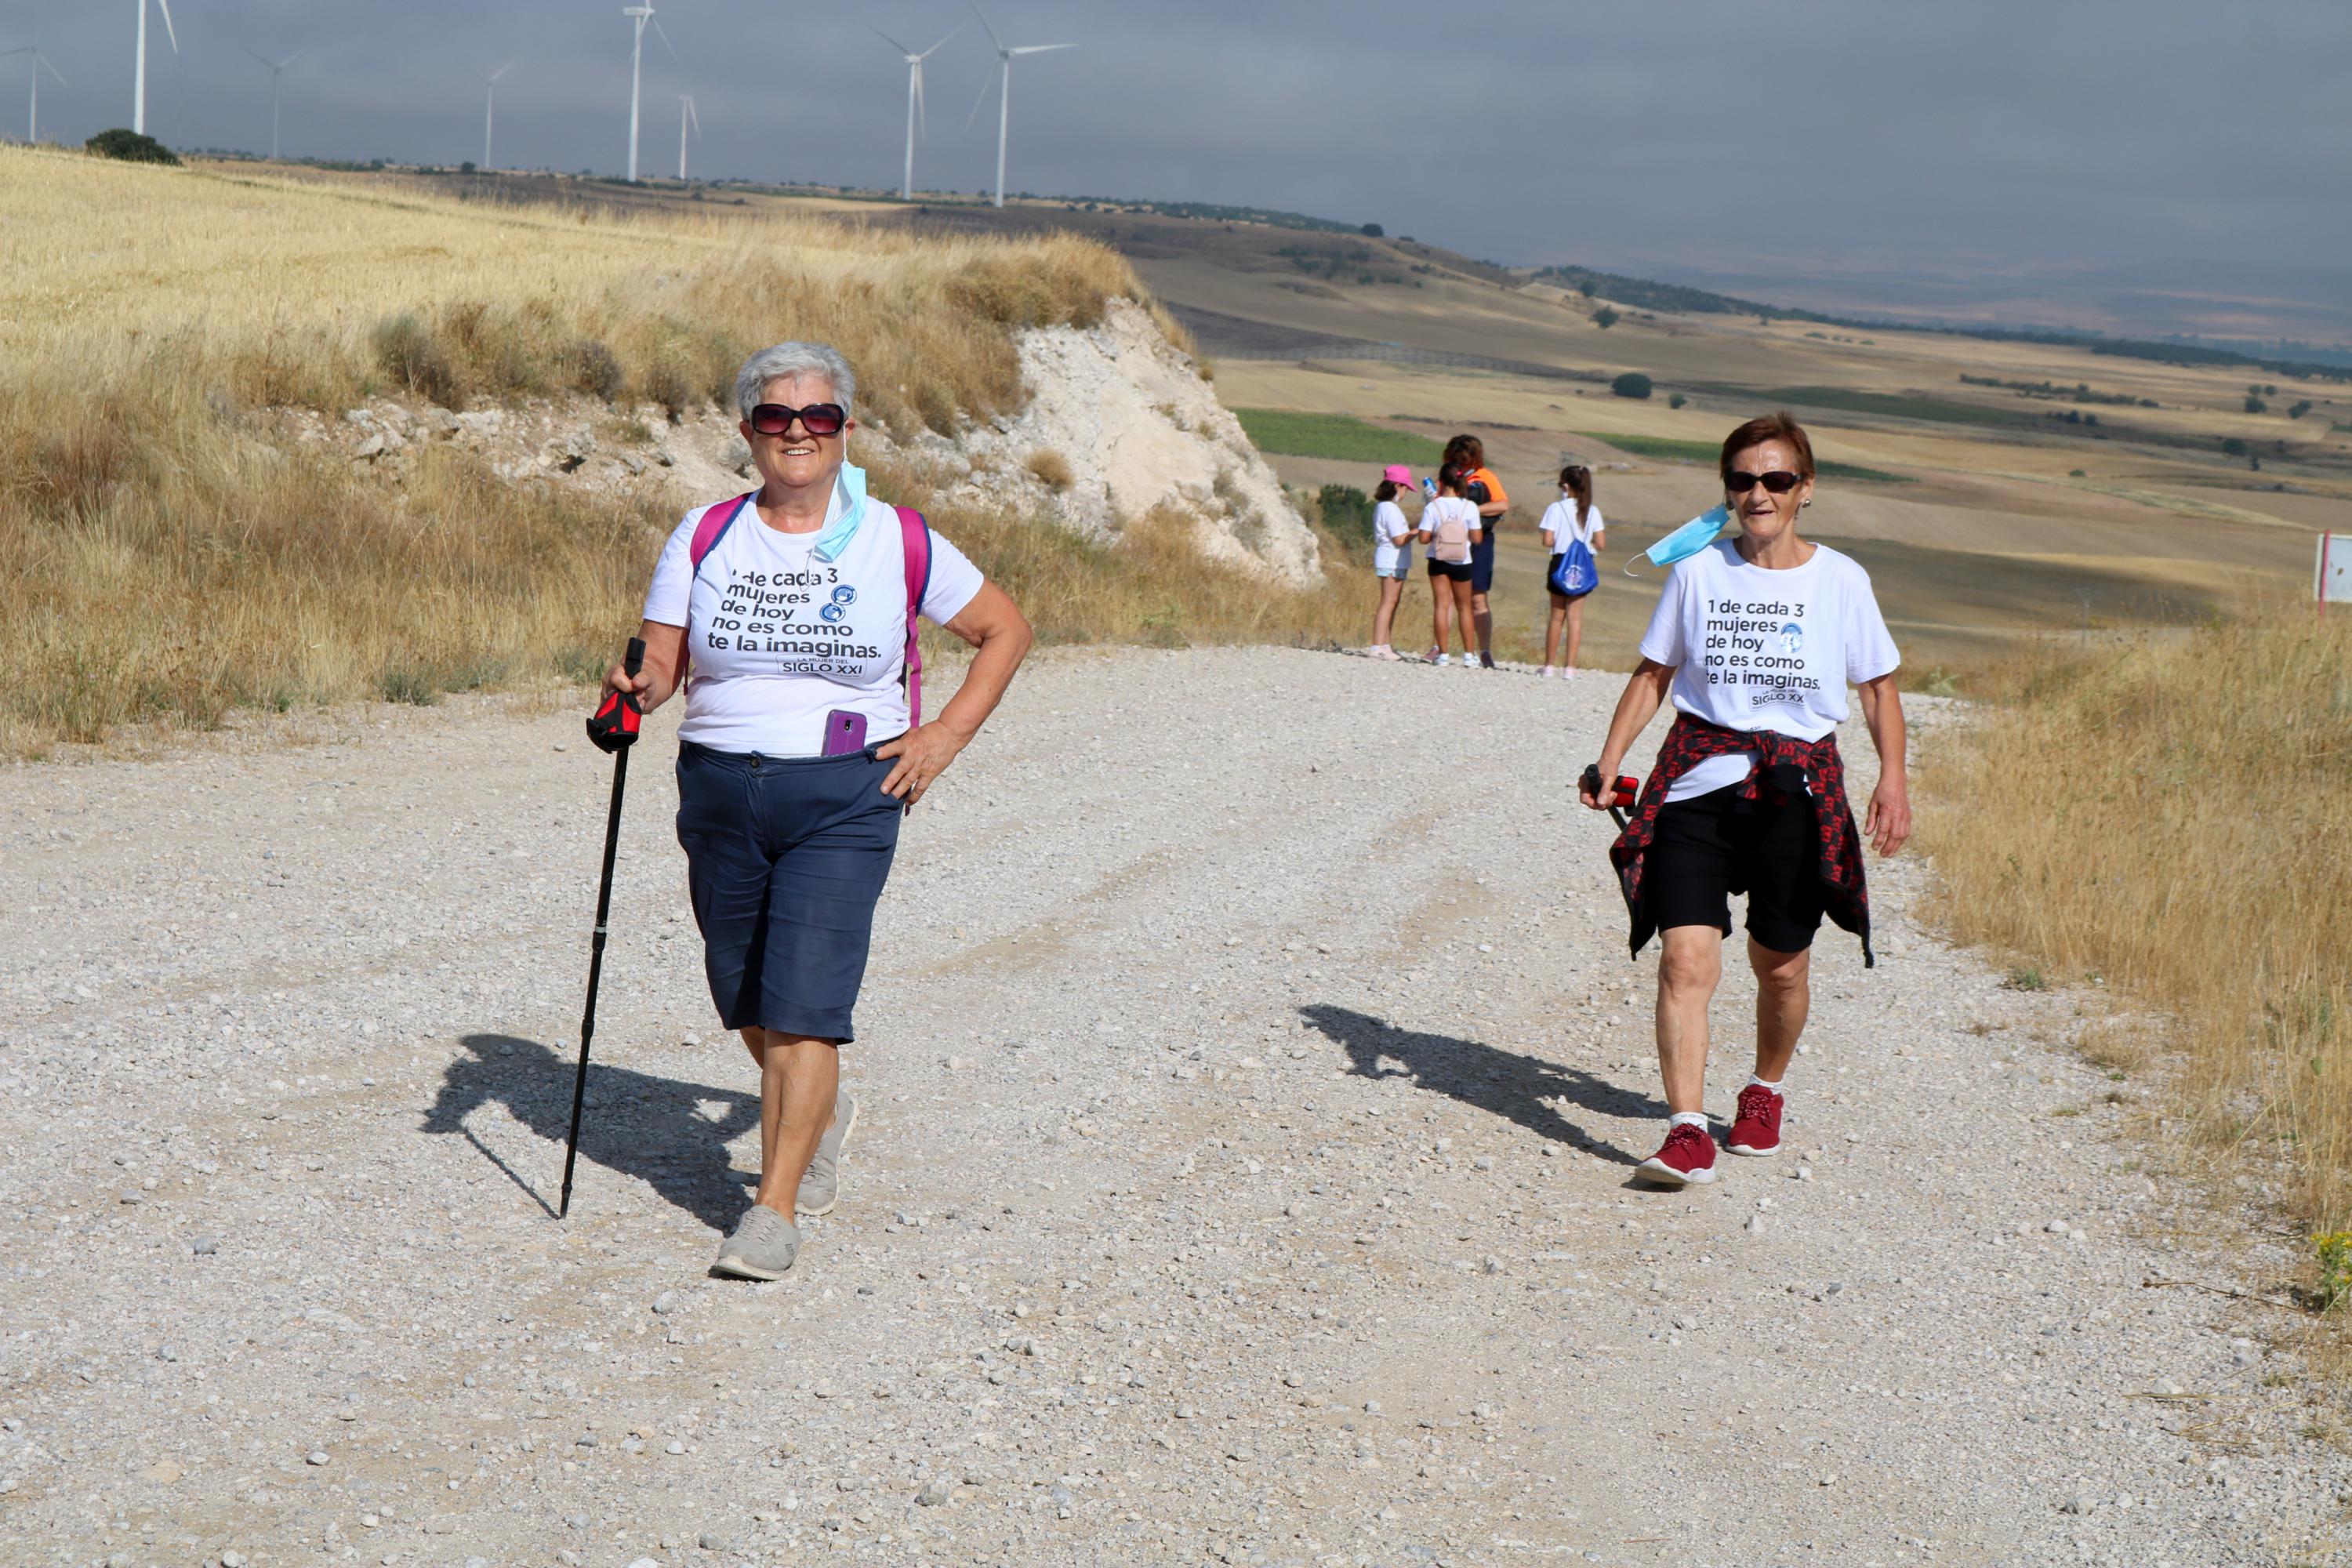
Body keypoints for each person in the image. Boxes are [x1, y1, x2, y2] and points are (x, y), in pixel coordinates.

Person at [604, 340, 1034, 1277]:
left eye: (819, 416)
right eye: (775, 416)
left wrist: (944, 735)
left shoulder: (895, 536)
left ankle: (774, 1207)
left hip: (846, 793)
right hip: (719, 784)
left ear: (846, 429)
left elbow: (1005, 628)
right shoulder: (705, 533)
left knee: (804, 1008)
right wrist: (635, 689)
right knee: (745, 993)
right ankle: (817, 1107)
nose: (797, 431)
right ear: (749, 431)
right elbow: (667, 668)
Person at [1579, 412, 1909, 1188]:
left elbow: (1879, 687)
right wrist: (1609, 758)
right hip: (1698, 783)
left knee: (1782, 968)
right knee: (1685, 959)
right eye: (1742, 480)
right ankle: (1687, 1129)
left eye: (1776, 479)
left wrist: (1893, 779)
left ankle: (1764, 1089)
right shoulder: (1697, 572)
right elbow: (1654, 673)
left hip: (1795, 792)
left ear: (1805, 489)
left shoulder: (1842, 580)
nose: (1758, 492)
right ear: (1727, 489)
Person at [1443, 434, 1511, 669]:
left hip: (1481, 541)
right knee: (1448, 598)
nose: (1462, 464)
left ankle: (1485, 651)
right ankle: (1442, 648)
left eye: (1466, 460)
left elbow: (1502, 504)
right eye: (1458, 459)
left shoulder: (1486, 477)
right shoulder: (1448, 475)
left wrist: (1471, 509)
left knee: (1478, 599)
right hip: (1452, 540)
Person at [1537, 464, 1604, 678]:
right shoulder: (1592, 511)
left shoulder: (1556, 509)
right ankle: (1570, 668)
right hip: (1582, 566)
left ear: (1565, 486)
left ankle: (1549, 666)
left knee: (1557, 617)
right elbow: (1601, 543)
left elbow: (1547, 541)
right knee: (1576, 619)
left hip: (1560, 563)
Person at [1417, 467, 1483, 666]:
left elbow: (1423, 538)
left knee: (1441, 605)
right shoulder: (1469, 506)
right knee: (1464, 607)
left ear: (1441, 482)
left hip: (1438, 560)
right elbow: (1477, 538)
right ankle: (1469, 655)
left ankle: (1443, 654)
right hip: (1462, 561)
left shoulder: (1433, 506)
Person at [1367, 463, 1417, 661]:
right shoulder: (1390, 509)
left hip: (1394, 560)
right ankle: (1377, 645)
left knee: (1392, 603)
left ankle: (1385, 645)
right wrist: (1417, 531)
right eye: (1405, 488)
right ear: (1397, 486)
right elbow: (1399, 539)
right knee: (1388, 602)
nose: (1406, 492)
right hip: (1391, 559)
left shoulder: (1385, 507)